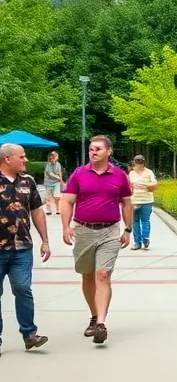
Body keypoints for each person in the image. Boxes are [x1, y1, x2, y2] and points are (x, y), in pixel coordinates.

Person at [60, 135, 133, 345]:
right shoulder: (79, 174)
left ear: (109, 151)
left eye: (98, 149)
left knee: (103, 275)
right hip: (83, 230)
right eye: (92, 149)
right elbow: (67, 201)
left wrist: (127, 229)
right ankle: (93, 316)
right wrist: (66, 227)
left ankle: (101, 323)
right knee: (87, 275)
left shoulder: (119, 176)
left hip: (110, 231)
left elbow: (127, 203)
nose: (94, 152)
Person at [0, 143, 51, 354]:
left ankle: (29, 334)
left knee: (23, 289)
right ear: (7, 159)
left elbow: (37, 211)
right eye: (22, 157)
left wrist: (45, 240)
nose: (26, 160)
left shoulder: (27, 182)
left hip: (22, 247)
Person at [127, 155, 158, 251]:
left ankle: (145, 239)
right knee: (135, 221)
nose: (139, 165)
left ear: (143, 163)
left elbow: (154, 183)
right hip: (134, 201)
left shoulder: (149, 172)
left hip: (147, 200)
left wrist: (144, 185)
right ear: (134, 163)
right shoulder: (131, 173)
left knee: (145, 220)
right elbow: (128, 185)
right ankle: (137, 242)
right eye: (137, 162)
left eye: (141, 163)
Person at [43, 149, 64, 215]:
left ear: (56, 158)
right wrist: (58, 177)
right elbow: (50, 173)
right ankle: (49, 210)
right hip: (48, 182)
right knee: (48, 197)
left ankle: (58, 209)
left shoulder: (58, 164)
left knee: (57, 197)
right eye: (50, 158)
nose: (52, 160)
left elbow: (60, 172)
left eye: (53, 158)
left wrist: (61, 181)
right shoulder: (48, 165)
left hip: (56, 182)